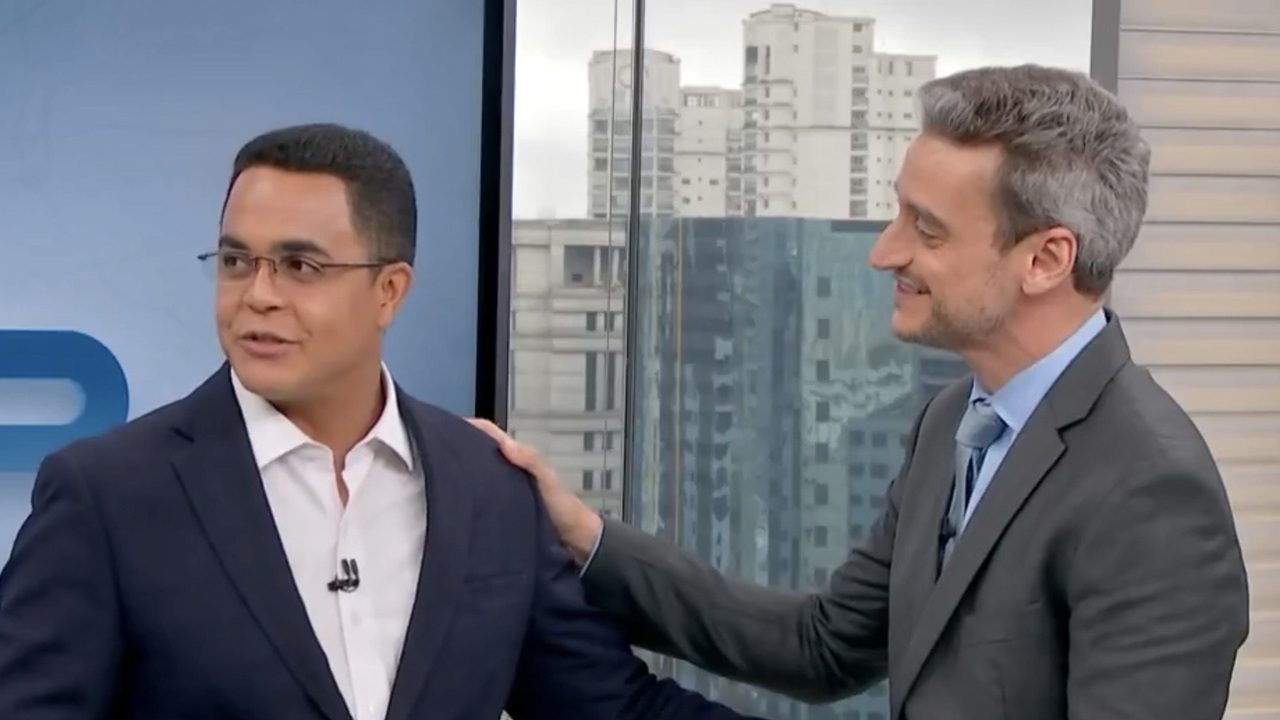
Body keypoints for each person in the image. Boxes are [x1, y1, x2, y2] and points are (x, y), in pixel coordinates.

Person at [470, 65, 1251, 719]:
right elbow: (824, 644)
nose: (885, 251)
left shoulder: (1150, 489)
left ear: (1046, 259)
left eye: (928, 229)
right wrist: (583, 535)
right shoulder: (954, 421)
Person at [0, 123, 759, 720]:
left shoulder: (485, 488)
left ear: (390, 291)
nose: (257, 295)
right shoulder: (109, 495)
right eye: (236, 261)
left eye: (300, 267)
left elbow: (613, 709)